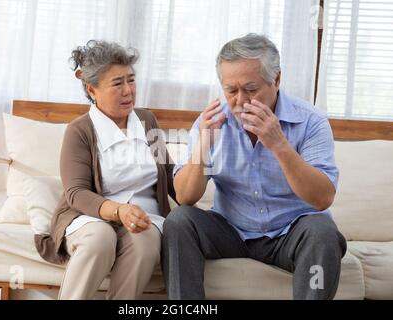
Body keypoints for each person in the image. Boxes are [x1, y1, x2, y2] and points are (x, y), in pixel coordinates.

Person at [162, 33, 347, 300]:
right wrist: (203, 143)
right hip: (231, 231)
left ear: (277, 79)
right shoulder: (212, 121)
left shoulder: (311, 121)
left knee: (322, 231)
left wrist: (279, 145)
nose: (240, 101)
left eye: (251, 89)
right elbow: (186, 197)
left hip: (291, 234)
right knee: (180, 220)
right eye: (231, 90)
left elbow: (322, 199)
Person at [34, 40, 176, 300]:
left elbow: (169, 176)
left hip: (143, 217)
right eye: (117, 83)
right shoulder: (80, 130)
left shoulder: (147, 120)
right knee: (100, 239)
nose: (128, 91)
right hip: (91, 216)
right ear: (92, 90)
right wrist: (119, 211)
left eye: (131, 80)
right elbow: (76, 192)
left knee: (145, 243)